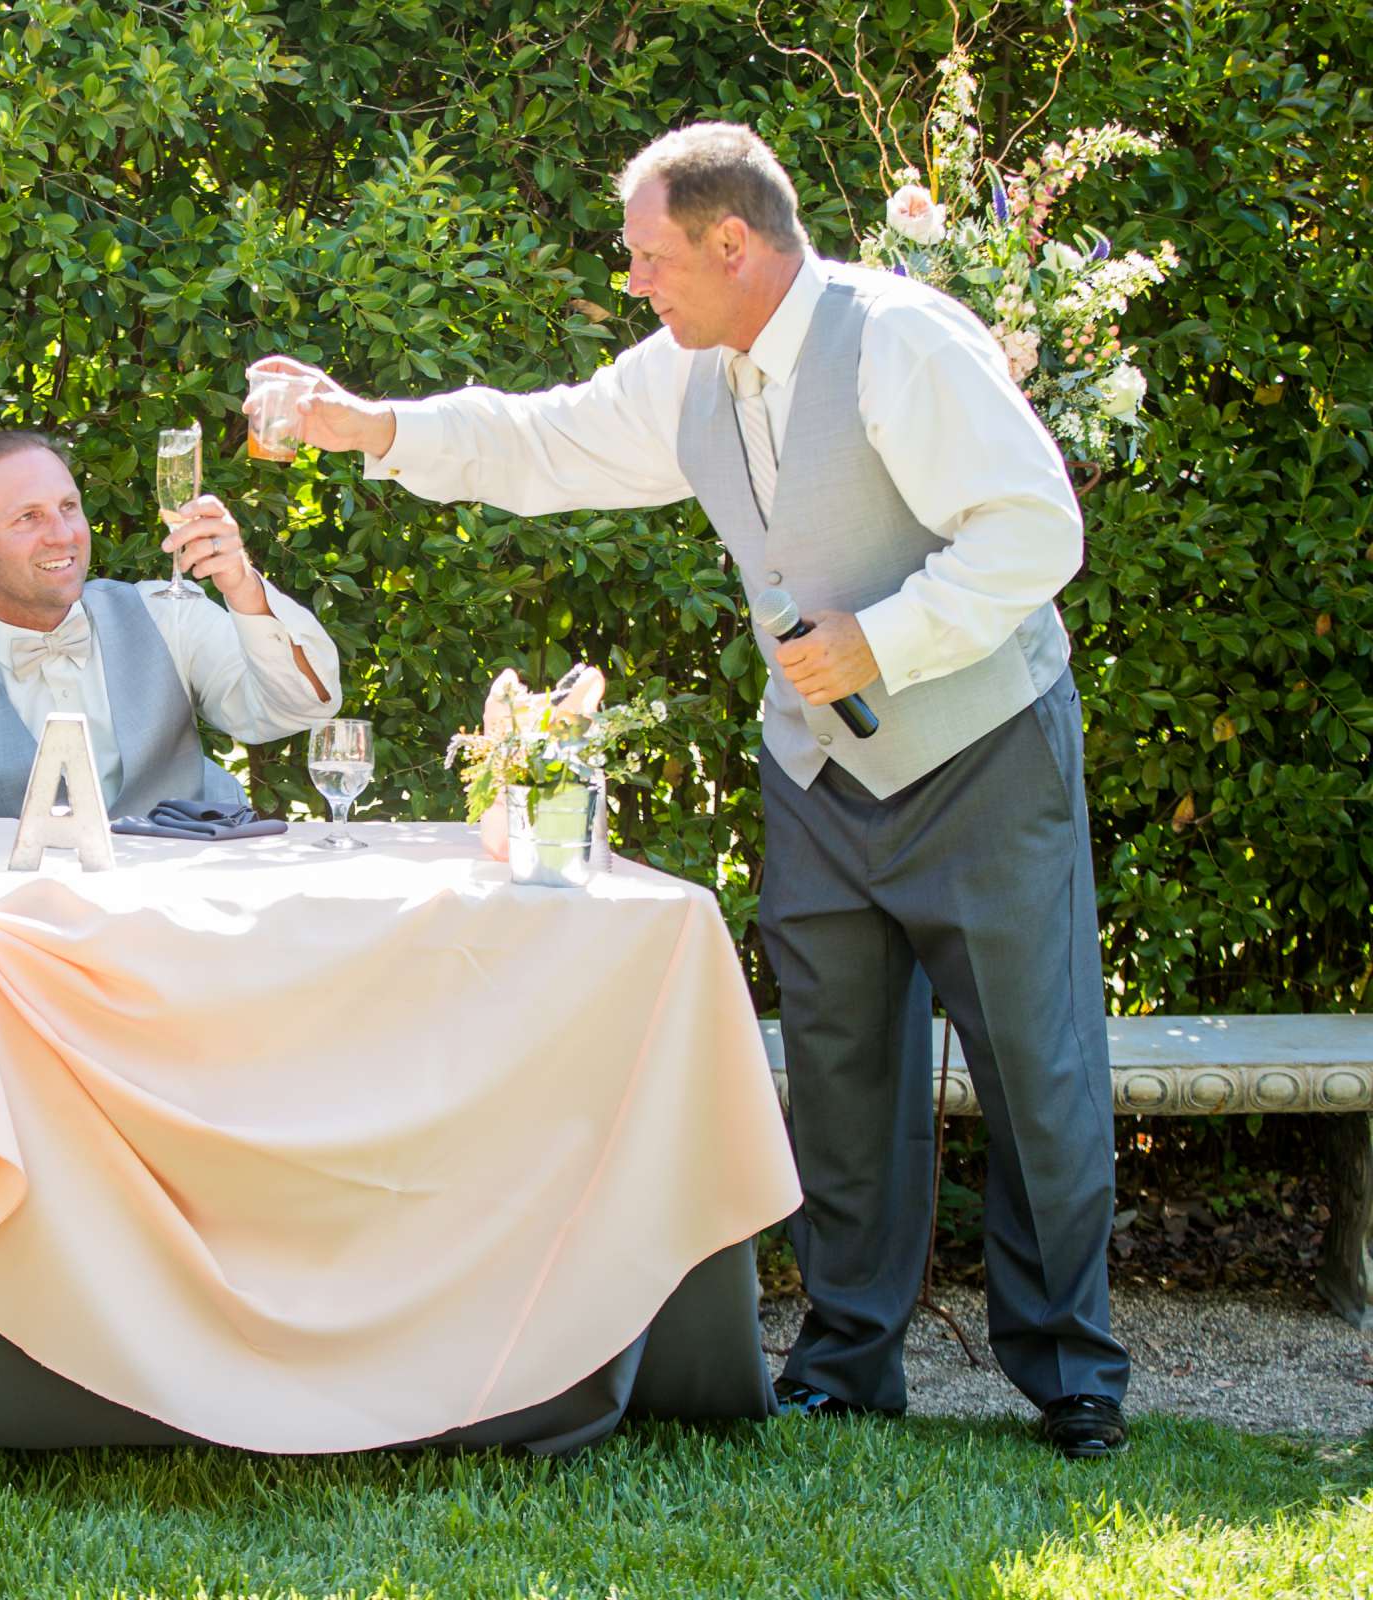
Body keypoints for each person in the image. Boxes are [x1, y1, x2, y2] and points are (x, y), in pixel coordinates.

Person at [259, 121, 1128, 1459]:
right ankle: (848, 1360)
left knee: (1037, 1067)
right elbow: (545, 444)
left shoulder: (902, 338)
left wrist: (884, 641)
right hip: (817, 771)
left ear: (736, 244)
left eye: (652, 258)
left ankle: (1071, 1374)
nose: (636, 283)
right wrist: (368, 425)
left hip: (983, 753)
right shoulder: (689, 370)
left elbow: (1035, 530)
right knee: (838, 1073)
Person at [0, 429, 342, 818]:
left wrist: (244, 588)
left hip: (189, 910)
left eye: (68, 507)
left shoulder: (166, 616)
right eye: (29, 517)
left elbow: (299, 710)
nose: (63, 535)